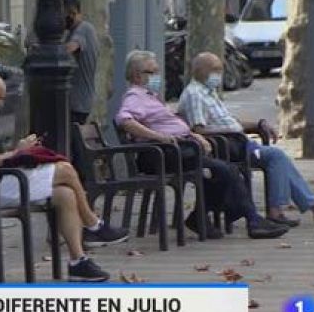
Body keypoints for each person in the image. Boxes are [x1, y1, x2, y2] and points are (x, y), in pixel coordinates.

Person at [0, 70, 129, 282]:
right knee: (66, 169)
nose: (1, 103)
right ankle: (93, 225)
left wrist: (19, 151)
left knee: (64, 194)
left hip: (3, 180)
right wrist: (18, 152)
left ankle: (78, 261)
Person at [115, 50, 288, 239]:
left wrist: (193, 136)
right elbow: (125, 120)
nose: (157, 76)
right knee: (225, 171)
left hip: (181, 148)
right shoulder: (135, 96)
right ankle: (253, 221)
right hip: (161, 153)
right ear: (137, 75)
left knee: (219, 172)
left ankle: (200, 217)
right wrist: (158, 136)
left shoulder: (150, 96)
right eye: (152, 72)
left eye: (158, 71)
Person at [178, 52, 314, 226]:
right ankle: (280, 211)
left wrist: (257, 123)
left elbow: (230, 121)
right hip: (225, 146)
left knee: (277, 157)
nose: (218, 74)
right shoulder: (195, 94)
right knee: (275, 156)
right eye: (214, 70)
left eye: (220, 69)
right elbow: (198, 129)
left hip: (237, 140)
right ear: (198, 70)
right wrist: (233, 130)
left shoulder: (209, 92)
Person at [64, 0, 99, 126]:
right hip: (78, 101)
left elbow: (71, 47)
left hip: (78, 102)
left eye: (71, 14)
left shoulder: (84, 28)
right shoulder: (72, 32)